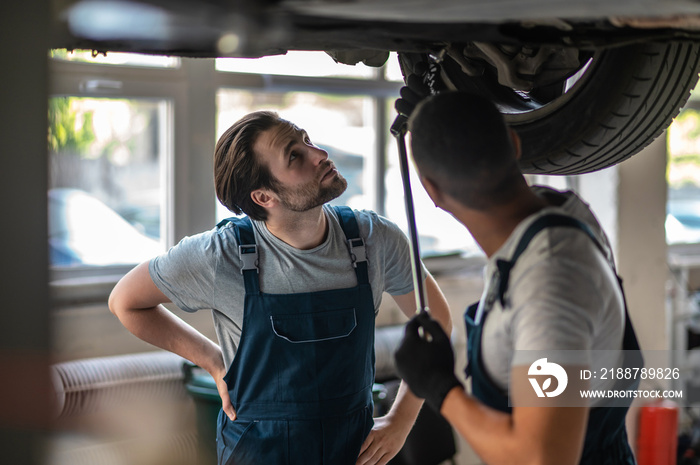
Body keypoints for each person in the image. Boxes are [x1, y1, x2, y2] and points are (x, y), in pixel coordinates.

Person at [108, 110, 452, 465]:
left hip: (354, 451)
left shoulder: (375, 240)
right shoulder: (219, 255)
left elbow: (436, 320)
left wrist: (401, 420)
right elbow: (125, 302)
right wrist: (213, 361)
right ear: (263, 197)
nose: (319, 154)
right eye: (294, 155)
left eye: (306, 139)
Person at [393, 90, 642, 465]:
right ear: (514, 143)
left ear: (431, 191)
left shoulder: (552, 279)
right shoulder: (552, 217)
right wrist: (437, 110)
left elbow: (543, 457)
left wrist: (440, 387)